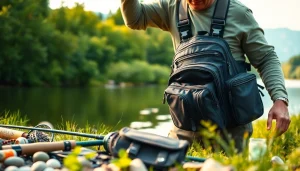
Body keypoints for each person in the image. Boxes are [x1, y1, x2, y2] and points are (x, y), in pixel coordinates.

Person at [120, 0, 290, 151]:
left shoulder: (239, 13)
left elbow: (266, 59)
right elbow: (135, 18)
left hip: (230, 135)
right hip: (183, 131)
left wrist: (280, 100)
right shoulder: (172, 7)